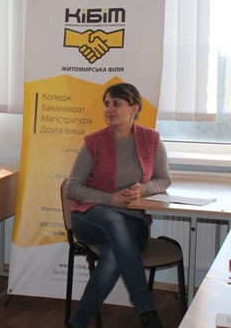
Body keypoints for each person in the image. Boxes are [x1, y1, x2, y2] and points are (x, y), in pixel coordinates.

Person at [65, 83, 170, 328]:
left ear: (135, 108)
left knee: (113, 254)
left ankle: (77, 323)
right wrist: (109, 199)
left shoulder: (151, 140)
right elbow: (72, 188)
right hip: (90, 217)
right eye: (107, 104)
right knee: (113, 220)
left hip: (133, 223)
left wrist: (142, 189)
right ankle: (146, 307)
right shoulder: (93, 142)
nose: (109, 109)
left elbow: (164, 179)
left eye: (117, 103)